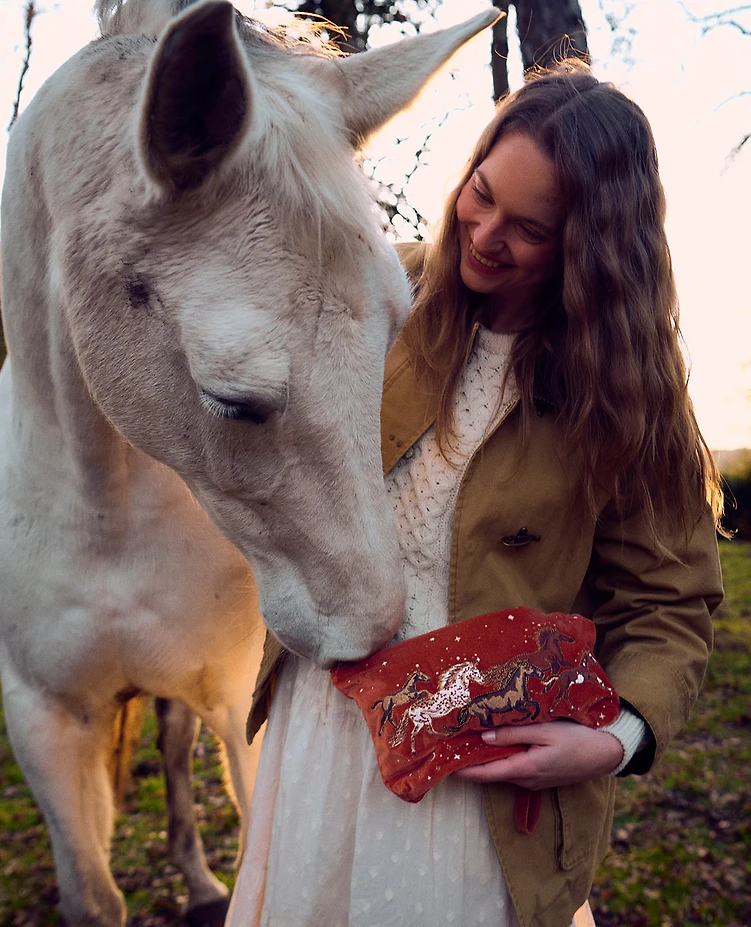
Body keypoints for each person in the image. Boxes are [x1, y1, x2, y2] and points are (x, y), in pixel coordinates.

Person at [228, 60, 724, 927]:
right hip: (324, 726)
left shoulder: (627, 390)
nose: (484, 232)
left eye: (529, 227)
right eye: (481, 193)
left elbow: (671, 604)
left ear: (591, 247)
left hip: (474, 785)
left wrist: (617, 738)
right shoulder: (384, 296)